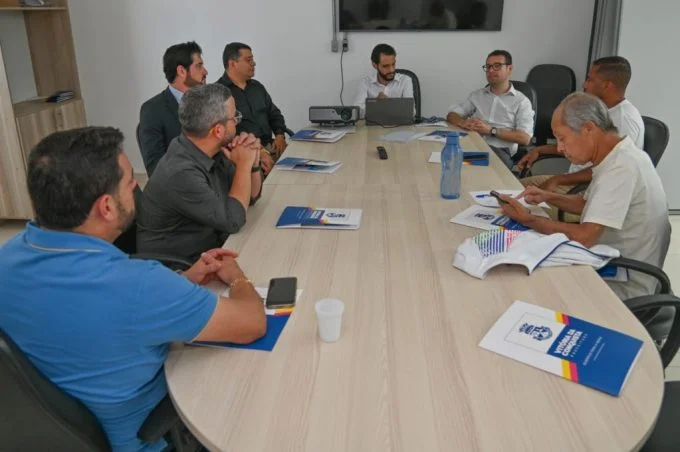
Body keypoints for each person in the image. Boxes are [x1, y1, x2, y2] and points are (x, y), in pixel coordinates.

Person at [0, 126, 266, 451]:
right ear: (107, 207)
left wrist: (180, 282)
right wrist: (237, 277)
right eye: (129, 182)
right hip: (147, 438)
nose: (137, 186)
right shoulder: (141, 285)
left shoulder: (7, 258)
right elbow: (252, 323)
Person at [498, 93, 670, 300]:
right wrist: (547, 196)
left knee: (520, 285)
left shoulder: (621, 168)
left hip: (622, 284)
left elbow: (584, 237)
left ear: (589, 129)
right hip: (609, 262)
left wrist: (530, 220)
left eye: (562, 138)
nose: (559, 148)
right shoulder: (619, 156)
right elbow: (586, 204)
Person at [137, 83, 263, 261]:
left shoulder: (211, 148)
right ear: (218, 131)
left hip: (212, 246)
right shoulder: (180, 172)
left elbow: (249, 198)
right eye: (234, 117)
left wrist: (253, 163)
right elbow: (233, 220)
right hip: (182, 266)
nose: (237, 122)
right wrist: (243, 165)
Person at [518, 56, 645, 194]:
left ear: (607, 85)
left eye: (590, 79)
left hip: (586, 189)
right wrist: (540, 150)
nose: (585, 85)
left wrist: (559, 180)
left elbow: (609, 167)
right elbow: (577, 144)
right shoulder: (601, 110)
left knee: (517, 194)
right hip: (572, 182)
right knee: (513, 188)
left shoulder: (623, 120)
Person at [446, 50, 534, 169]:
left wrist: (491, 131)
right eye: (488, 67)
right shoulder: (476, 95)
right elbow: (452, 115)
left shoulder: (522, 101)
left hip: (498, 151)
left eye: (497, 66)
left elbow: (525, 138)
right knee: (443, 156)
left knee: (456, 163)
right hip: (471, 144)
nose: (491, 70)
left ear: (509, 69)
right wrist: (463, 122)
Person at [216, 42, 288, 174]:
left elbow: (274, 114)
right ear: (232, 63)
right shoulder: (219, 92)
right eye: (248, 60)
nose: (254, 63)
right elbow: (225, 133)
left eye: (252, 59)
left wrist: (279, 135)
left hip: (270, 146)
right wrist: (258, 151)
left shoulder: (257, 87)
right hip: (244, 154)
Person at [138, 41, 208, 175]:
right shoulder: (152, 110)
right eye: (199, 66)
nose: (205, 71)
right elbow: (155, 167)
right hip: (182, 182)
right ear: (181, 71)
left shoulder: (210, 102)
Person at [353, 43, 414, 118]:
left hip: (399, 125)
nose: (391, 70)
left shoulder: (405, 80)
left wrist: (386, 106)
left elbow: (411, 112)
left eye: (393, 64)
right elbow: (356, 112)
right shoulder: (365, 83)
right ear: (374, 65)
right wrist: (375, 105)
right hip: (373, 125)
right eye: (385, 66)